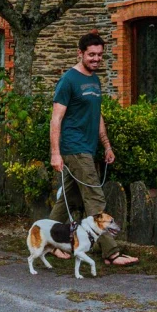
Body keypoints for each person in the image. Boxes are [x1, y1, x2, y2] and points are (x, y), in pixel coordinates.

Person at [49, 33, 138, 266]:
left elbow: (97, 115)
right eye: (91, 54)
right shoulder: (69, 80)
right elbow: (56, 119)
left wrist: (106, 145)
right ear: (80, 53)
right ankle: (111, 253)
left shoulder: (95, 80)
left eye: (99, 55)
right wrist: (55, 153)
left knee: (70, 196)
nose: (96, 59)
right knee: (95, 198)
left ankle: (49, 241)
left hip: (87, 148)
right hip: (74, 147)